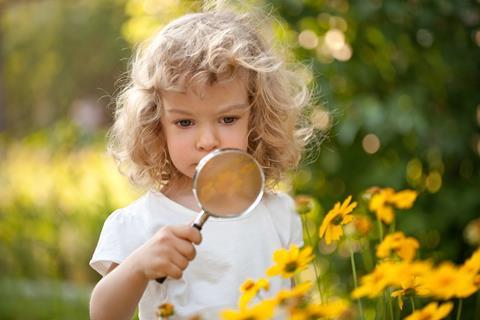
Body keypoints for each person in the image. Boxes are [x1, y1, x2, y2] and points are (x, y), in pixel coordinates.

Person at [89, 7, 313, 320]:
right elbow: (104, 315)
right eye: (184, 123)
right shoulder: (138, 224)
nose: (207, 140)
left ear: (256, 120)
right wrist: (139, 267)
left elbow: (294, 305)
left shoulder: (279, 214)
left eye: (228, 118)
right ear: (156, 126)